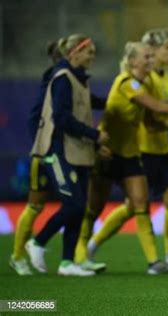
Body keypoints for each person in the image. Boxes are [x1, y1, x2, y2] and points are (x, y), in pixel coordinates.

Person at [74, 42, 168, 274]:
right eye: (147, 57)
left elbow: (152, 120)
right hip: (108, 152)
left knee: (141, 204)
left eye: (152, 56)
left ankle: (155, 262)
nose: (152, 61)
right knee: (94, 208)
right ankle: (81, 254)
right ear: (132, 62)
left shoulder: (145, 84)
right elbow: (151, 104)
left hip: (130, 154)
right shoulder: (126, 83)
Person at [25, 34, 110, 276]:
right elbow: (60, 118)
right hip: (58, 149)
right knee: (72, 204)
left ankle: (67, 263)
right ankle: (37, 242)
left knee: (79, 207)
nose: (92, 56)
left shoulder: (79, 78)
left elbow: (92, 104)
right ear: (74, 53)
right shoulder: (62, 78)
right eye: (88, 51)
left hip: (78, 151)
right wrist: (94, 136)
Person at [10, 40, 63, 276]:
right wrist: (40, 149)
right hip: (46, 153)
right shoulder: (54, 81)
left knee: (76, 203)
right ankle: (18, 255)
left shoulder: (67, 79)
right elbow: (36, 118)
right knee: (36, 204)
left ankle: (73, 257)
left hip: (64, 153)